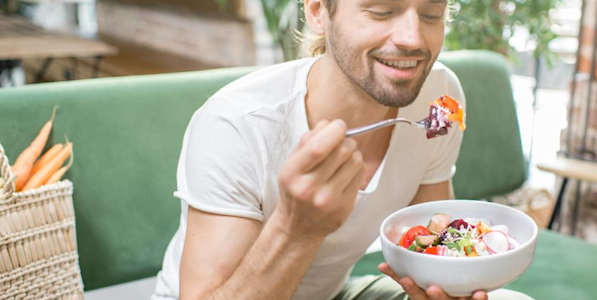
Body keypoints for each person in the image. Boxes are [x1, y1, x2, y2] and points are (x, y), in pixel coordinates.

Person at [152, 0, 494, 299]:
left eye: (431, 14)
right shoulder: (237, 124)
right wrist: (295, 227)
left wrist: (444, 285)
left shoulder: (439, 99)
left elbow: (432, 236)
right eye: (380, 12)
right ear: (317, 11)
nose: (413, 38)